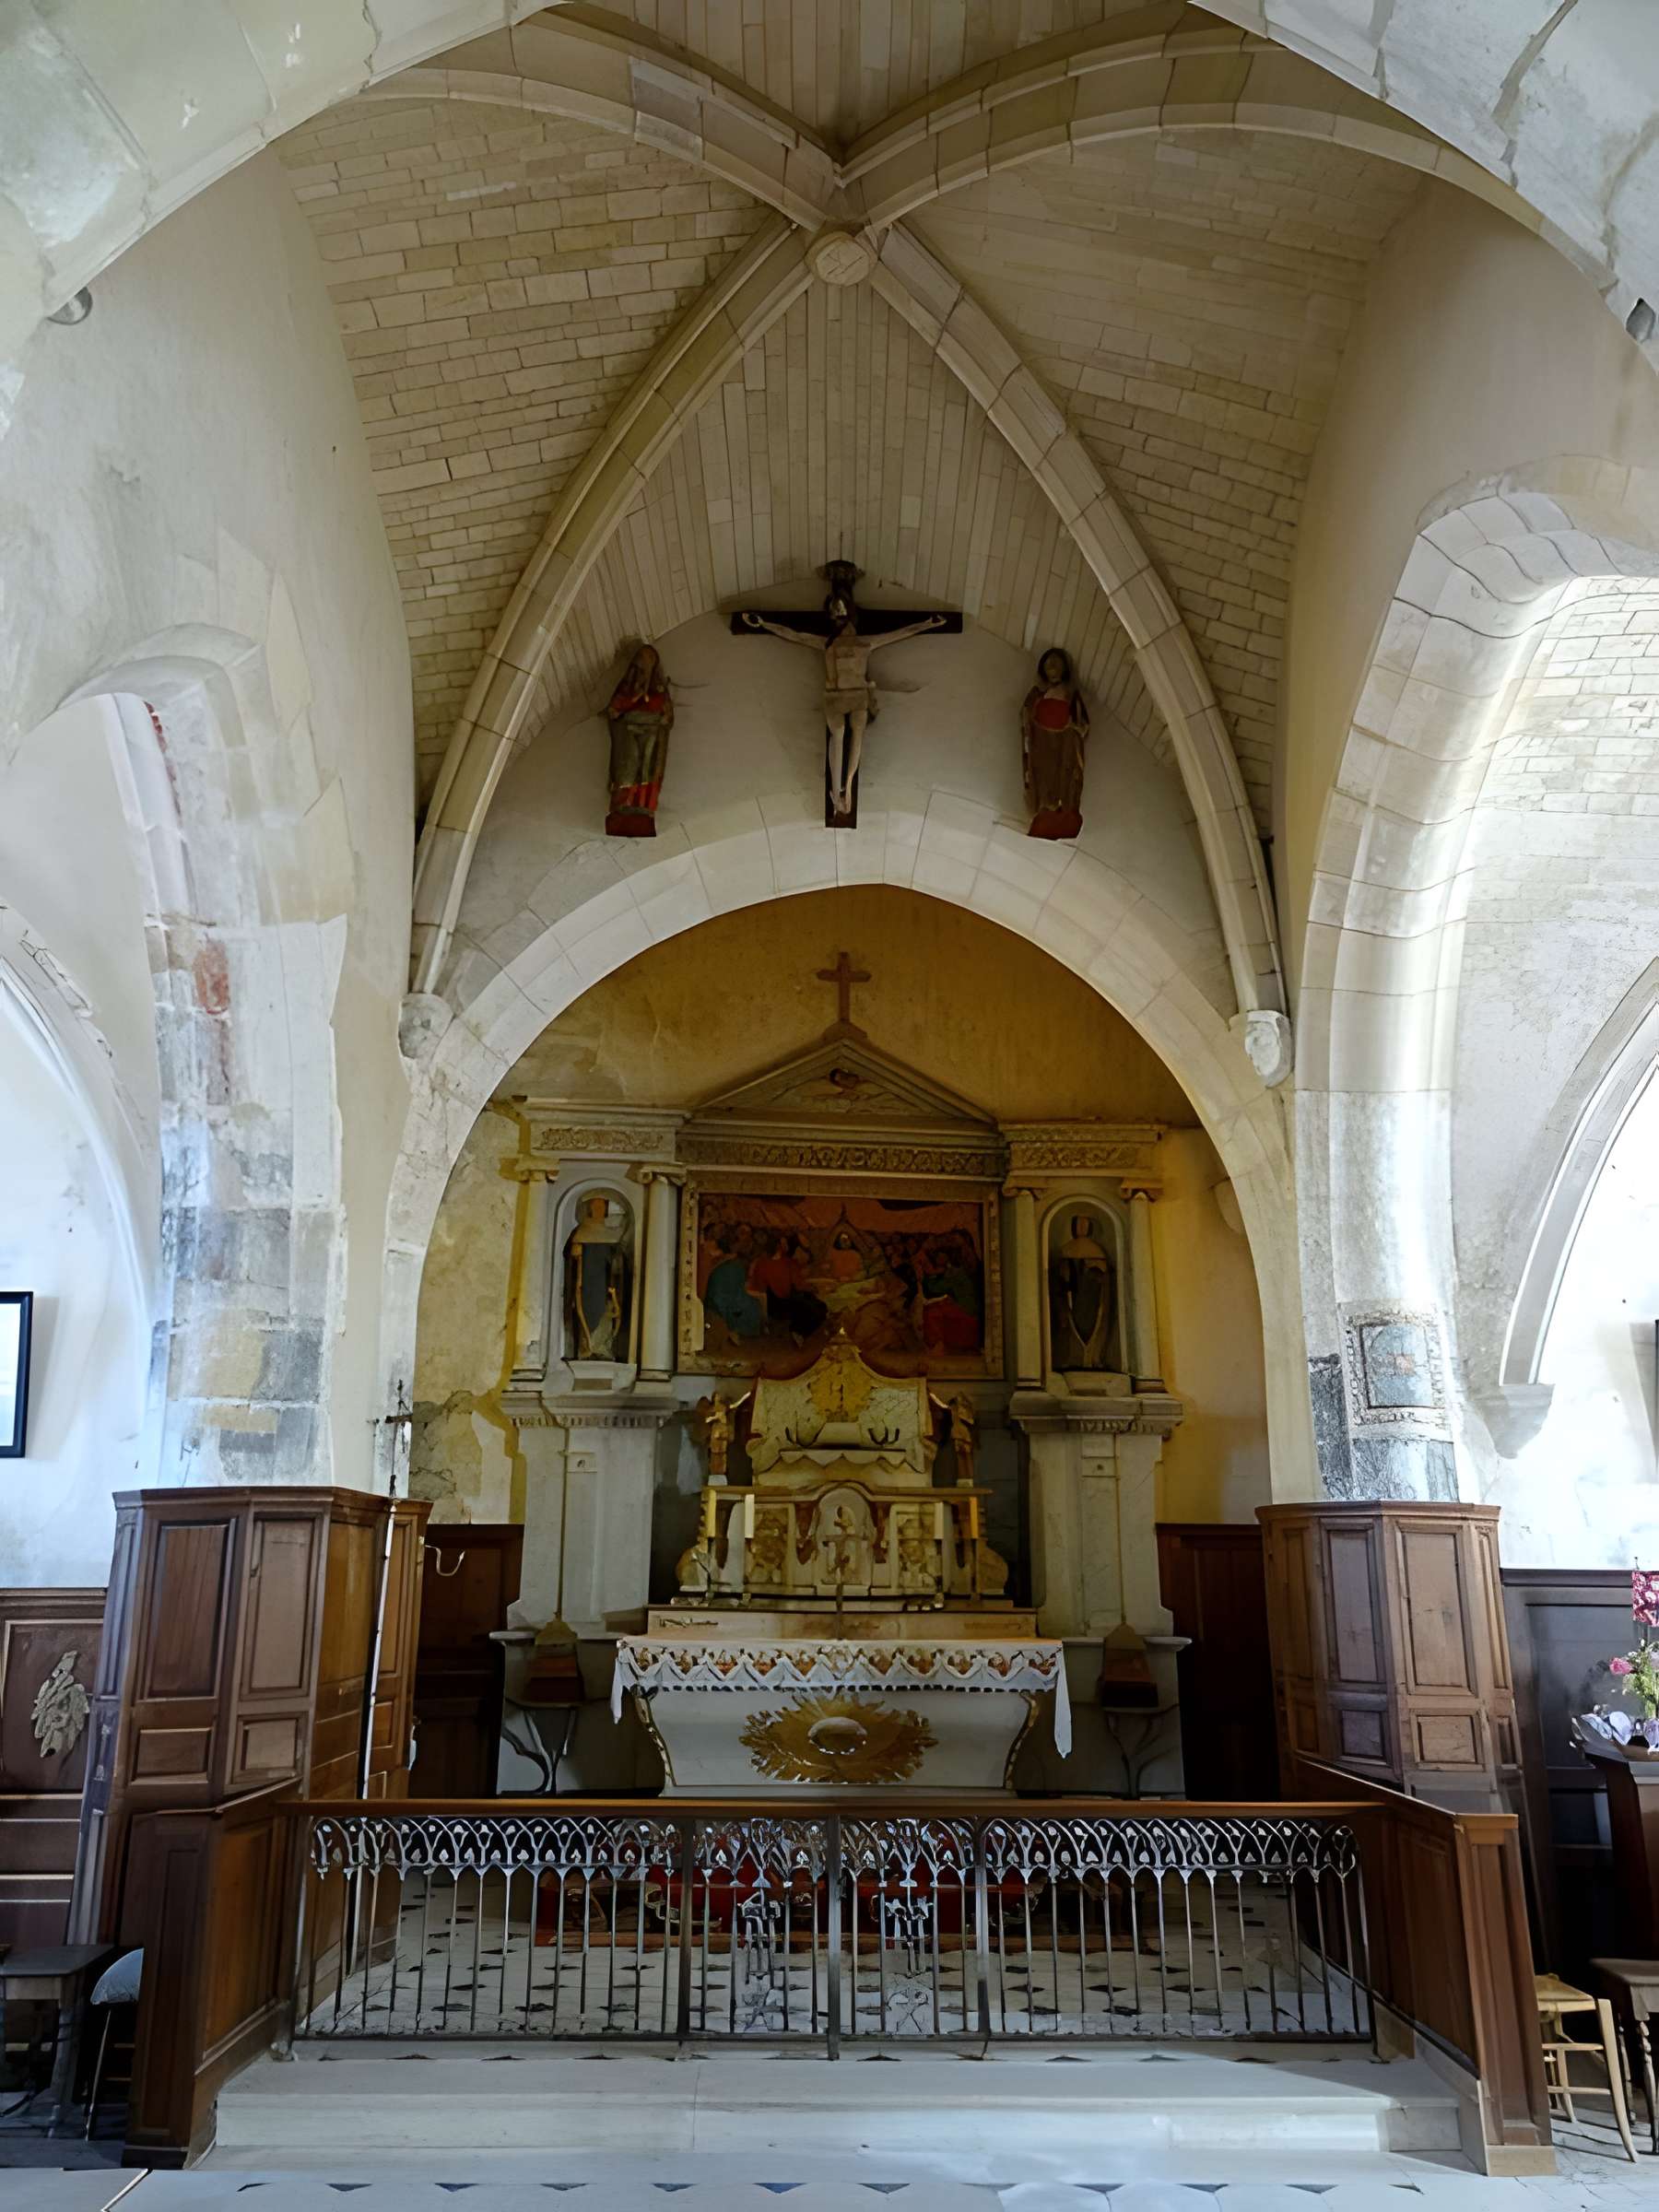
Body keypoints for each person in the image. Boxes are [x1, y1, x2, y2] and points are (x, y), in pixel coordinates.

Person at [742, 604, 948, 818]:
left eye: (847, 619)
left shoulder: (865, 643)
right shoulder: (827, 644)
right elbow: (796, 636)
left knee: (857, 733)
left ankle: (847, 786)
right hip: (834, 697)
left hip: (858, 697)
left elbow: (899, 633)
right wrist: (764, 623)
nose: (845, 625)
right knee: (838, 732)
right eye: (840, 619)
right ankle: (837, 788)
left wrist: (926, 624)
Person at [1021, 646, 1091, 841]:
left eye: (1056, 664)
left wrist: (1072, 728)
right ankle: (1044, 810)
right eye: (1048, 664)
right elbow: (1027, 717)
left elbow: (1082, 723)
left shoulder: (1071, 696)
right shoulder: (1037, 695)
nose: (1052, 667)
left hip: (1064, 743)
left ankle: (1064, 812)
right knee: (1044, 778)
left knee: (1064, 776)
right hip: (1042, 744)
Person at [605, 642, 674, 835]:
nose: (644, 669)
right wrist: (634, 700)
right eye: (642, 663)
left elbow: (667, 715)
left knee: (647, 772)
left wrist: (661, 717)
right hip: (629, 732)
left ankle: (644, 807)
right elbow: (614, 710)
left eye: (648, 663)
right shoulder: (628, 687)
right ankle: (623, 805)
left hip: (652, 735)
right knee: (628, 770)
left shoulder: (659, 689)